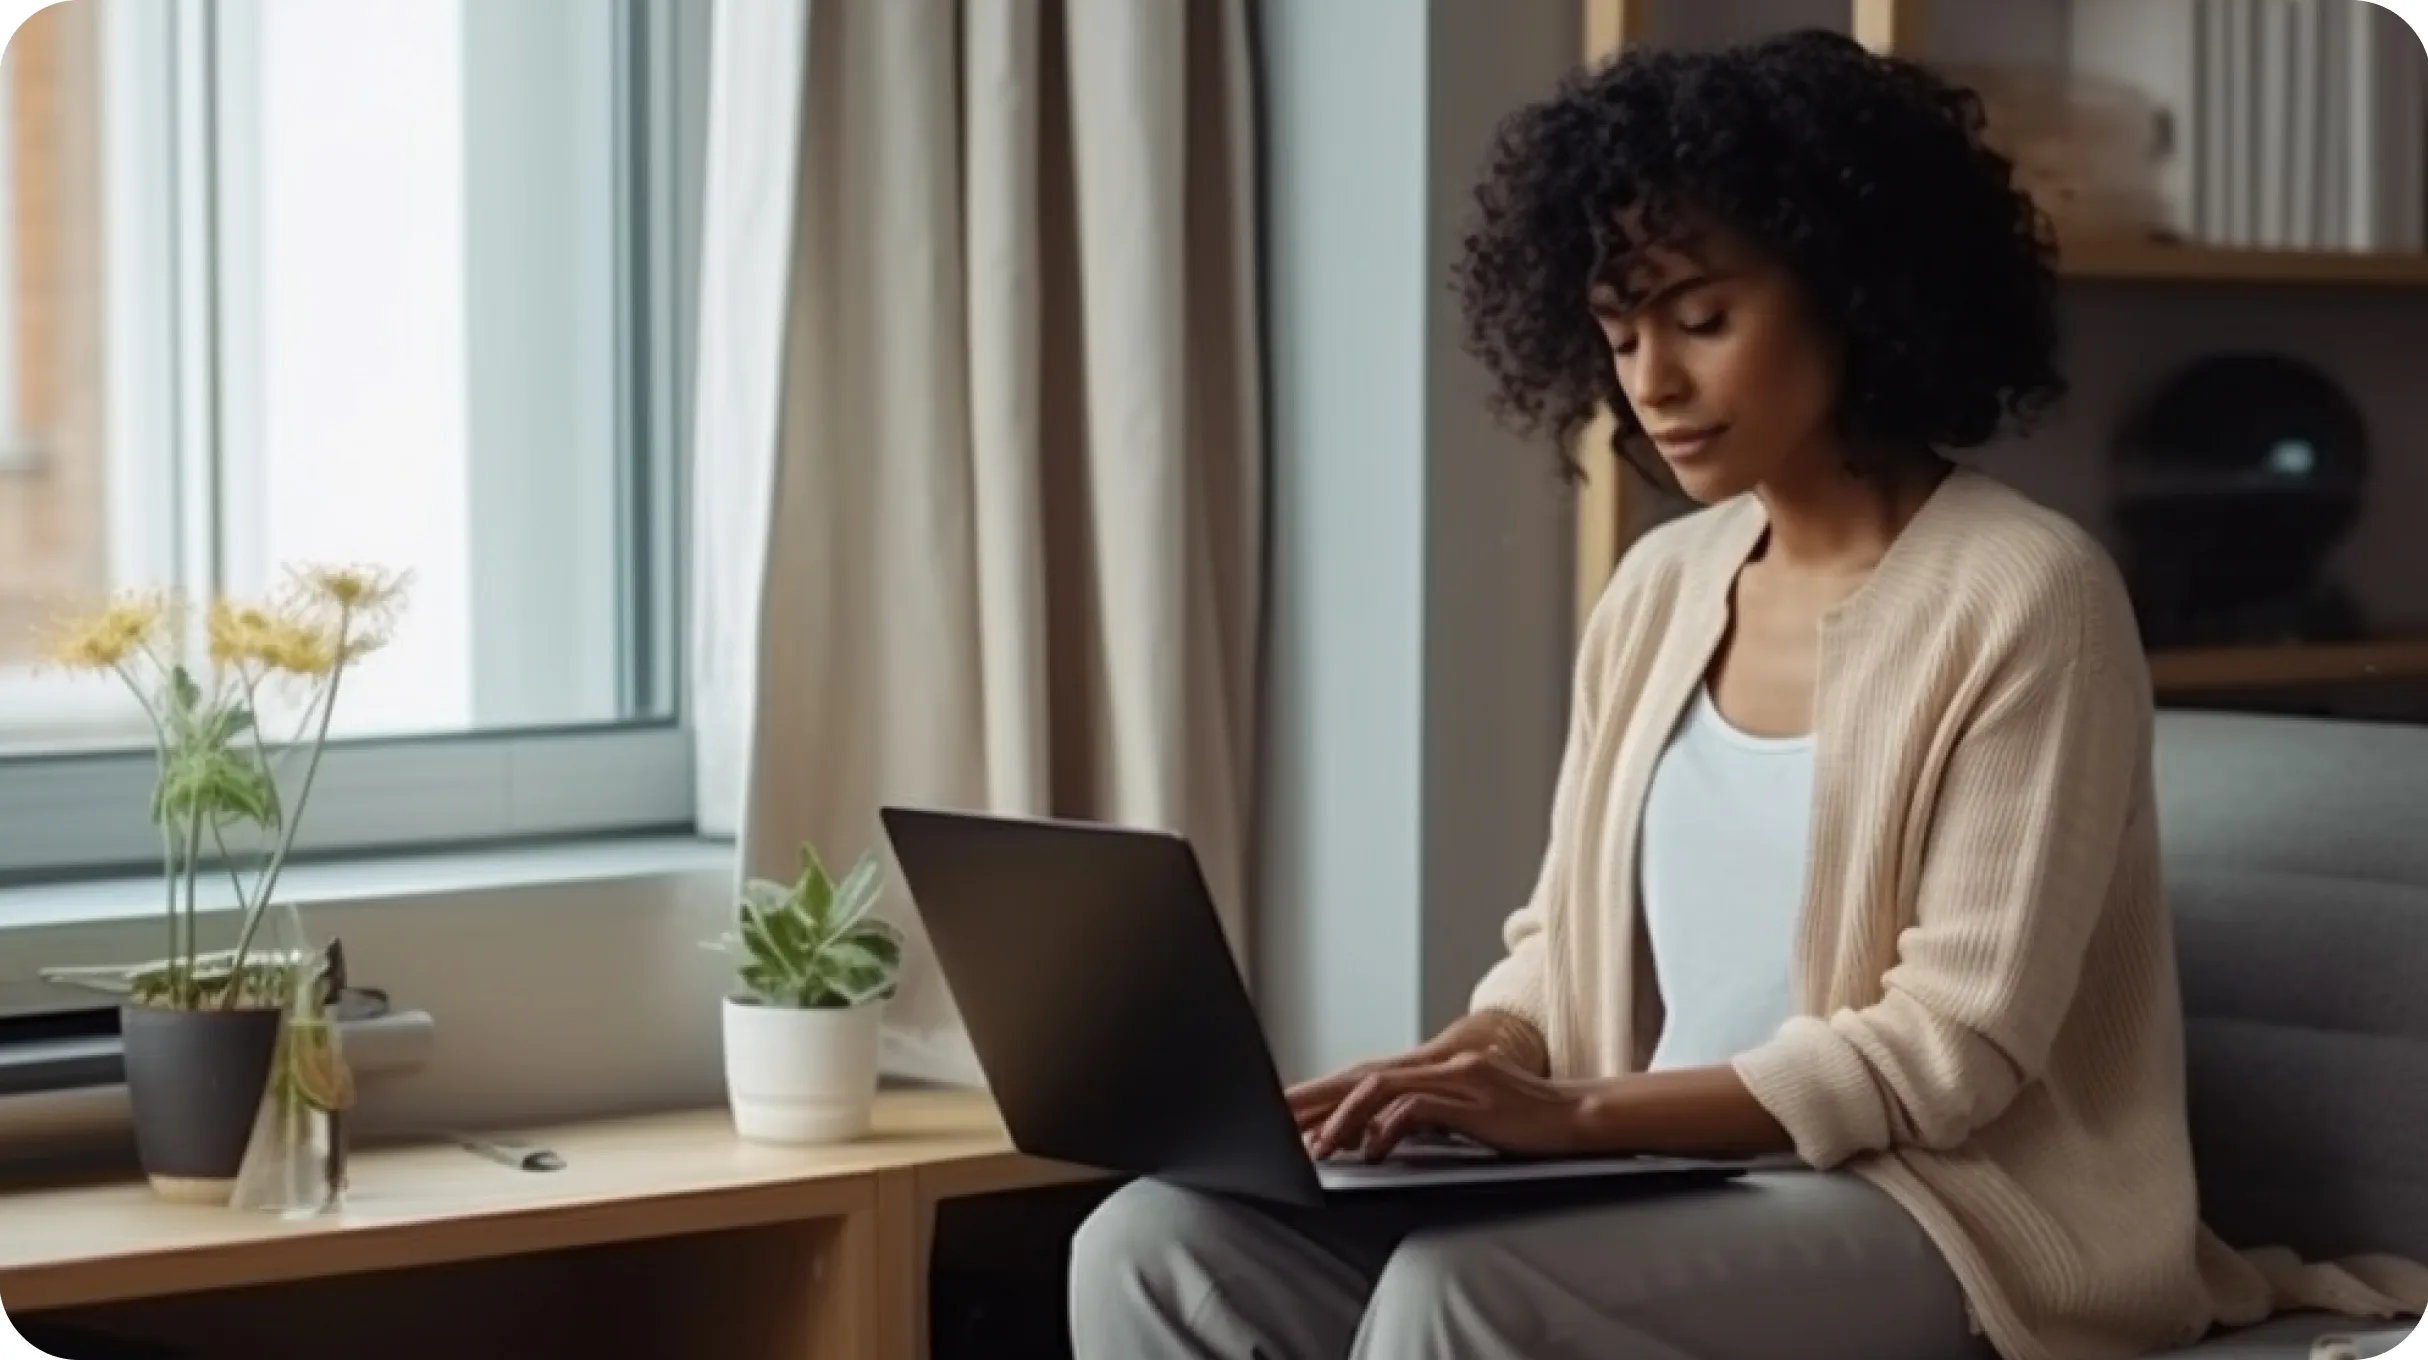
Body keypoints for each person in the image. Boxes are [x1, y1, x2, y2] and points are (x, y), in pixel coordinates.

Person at [1067, 27, 2416, 1360]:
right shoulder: (1660, 586)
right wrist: (1456, 1069)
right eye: (1617, 330)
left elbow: (1951, 1050)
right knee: (1151, 1243)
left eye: (1702, 318)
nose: (1651, 382)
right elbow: (1561, 943)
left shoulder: (2028, 592)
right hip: (1649, 1178)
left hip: (1936, 1205)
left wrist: (1581, 1117)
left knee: (1467, 1296)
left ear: (1852, 286)